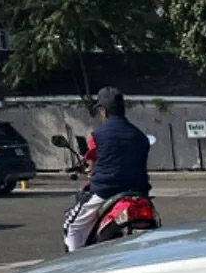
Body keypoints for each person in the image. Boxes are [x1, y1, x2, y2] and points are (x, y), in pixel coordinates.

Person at [63, 87, 152, 252]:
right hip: (140, 192)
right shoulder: (139, 136)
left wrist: (90, 168)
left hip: (106, 191)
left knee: (72, 227)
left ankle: (74, 266)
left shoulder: (98, 135)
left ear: (103, 110)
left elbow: (92, 163)